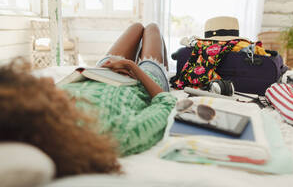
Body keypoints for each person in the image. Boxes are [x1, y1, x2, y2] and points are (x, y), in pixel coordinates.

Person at [0, 23, 176, 178]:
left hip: (101, 71)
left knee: (136, 27)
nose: (48, 80)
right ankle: (168, 76)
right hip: (143, 81)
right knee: (152, 28)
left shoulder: (47, 110)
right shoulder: (114, 134)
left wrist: (96, 71)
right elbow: (165, 102)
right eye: (37, 86)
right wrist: (132, 67)